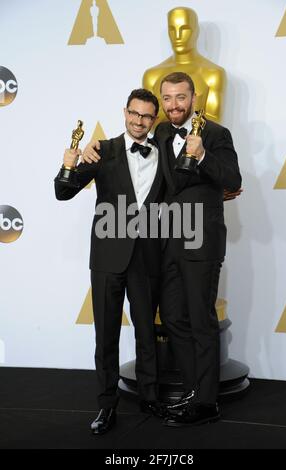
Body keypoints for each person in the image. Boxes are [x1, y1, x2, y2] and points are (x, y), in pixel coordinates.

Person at [82, 72, 242, 427]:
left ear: (194, 98)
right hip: (166, 242)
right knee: (171, 317)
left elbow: (233, 179)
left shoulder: (217, 134)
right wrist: (93, 148)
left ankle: (206, 403)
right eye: (167, 99)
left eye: (180, 98)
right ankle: (193, 388)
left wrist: (202, 158)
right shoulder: (162, 133)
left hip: (200, 241)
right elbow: (141, 168)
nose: (173, 105)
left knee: (201, 320)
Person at [54, 89, 167, 436]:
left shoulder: (164, 154)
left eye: (147, 116)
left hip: (147, 256)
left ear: (154, 120)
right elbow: (64, 192)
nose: (139, 121)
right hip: (107, 257)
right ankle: (106, 405)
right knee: (106, 334)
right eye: (134, 114)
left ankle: (150, 396)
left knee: (147, 331)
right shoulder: (102, 150)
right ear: (125, 112)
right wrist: (68, 164)